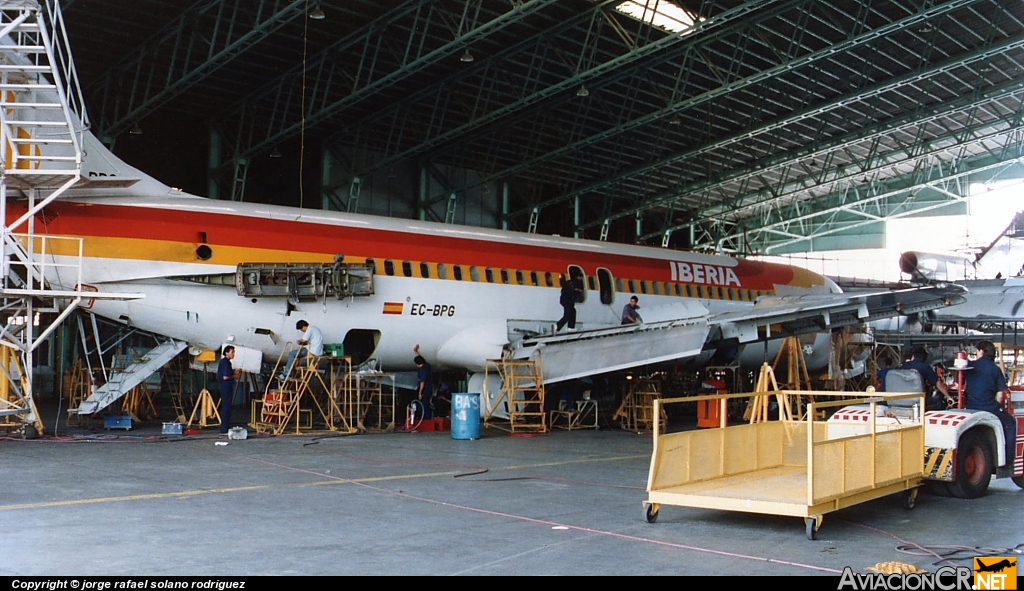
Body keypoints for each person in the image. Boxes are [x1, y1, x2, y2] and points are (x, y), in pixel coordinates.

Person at [964, 340, 1016, 464]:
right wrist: (997, 406)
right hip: (988, 407)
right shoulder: (995, 369)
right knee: (1011, 422)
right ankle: (1007, 459)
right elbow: (1000, 394)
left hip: (971, 407)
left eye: (976, 351)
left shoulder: (969, 366)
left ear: (981, 351)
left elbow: (964, 387)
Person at [218, 346, 240, 435]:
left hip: (224, 386)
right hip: (226, 386)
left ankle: (225, 427)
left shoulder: (224, 362)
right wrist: (235, 376)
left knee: (226, 406)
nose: (233, 354)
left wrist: (234, 372)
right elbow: (225, 376)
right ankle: (224, 429)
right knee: (226, 407)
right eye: (232, 352)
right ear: (226, 352)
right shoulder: (226, 362)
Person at [414, 344, 433, 420]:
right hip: (429, 388)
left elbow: (422, 382)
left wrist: (420, 392)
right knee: (426, 403)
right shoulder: (427, 366)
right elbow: (421, 359)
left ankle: (425, 418)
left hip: (425, 389)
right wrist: (416, 352)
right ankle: (426, 416)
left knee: (423, 404)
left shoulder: (423, 370)